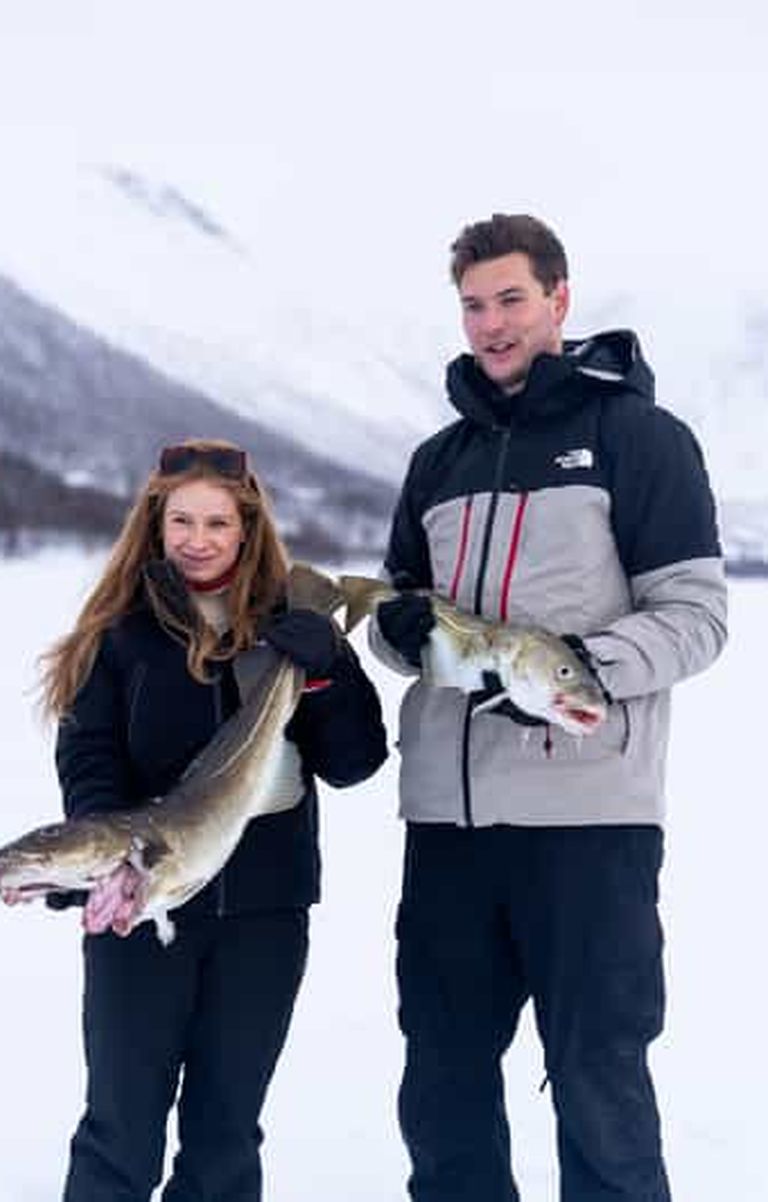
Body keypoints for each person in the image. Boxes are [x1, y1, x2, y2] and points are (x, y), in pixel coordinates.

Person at [371, 214, 727, 1202]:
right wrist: (395, 633)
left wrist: (577, 666)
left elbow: (694, 616)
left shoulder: (635, 438)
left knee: (596, 1083)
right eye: (473, 305)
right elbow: (398, 606)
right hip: (445, 822)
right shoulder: (435, 461)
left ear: (559, 299)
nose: (489, 324)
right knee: (440, 1087)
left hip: (587, 824)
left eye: (510, 299)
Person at [40, 438, 388, 1202]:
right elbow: (90, 762)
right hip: (145, 912)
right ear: (156, 526)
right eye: (182, 522)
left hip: (263, 920)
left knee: (226, 1140)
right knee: (119, 1134)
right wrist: (100, 858)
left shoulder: (291, 630)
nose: (198, 541)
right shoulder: (117, 635)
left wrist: (329, 669)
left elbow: (356, 763)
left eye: (218, 525)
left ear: (248, 529)